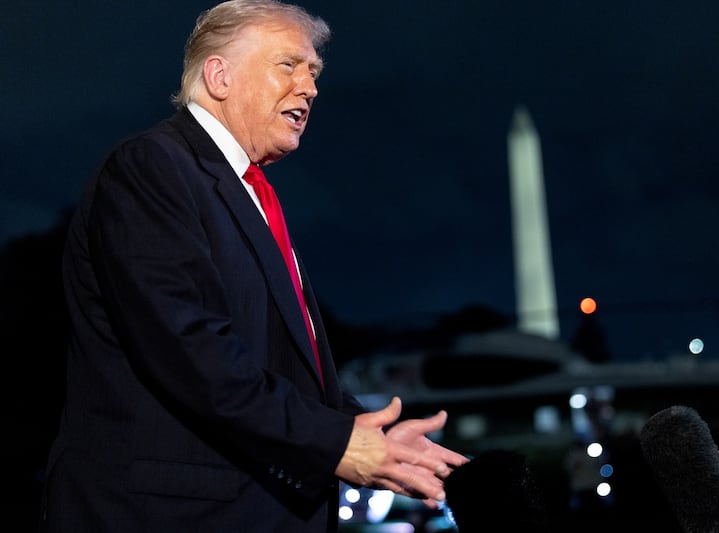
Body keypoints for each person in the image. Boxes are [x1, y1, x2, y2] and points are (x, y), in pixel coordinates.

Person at [39, 1, 468, 532]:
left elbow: (268, 363)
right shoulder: (152, 168)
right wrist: (335, 443)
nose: (309, 88)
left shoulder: (248, 194)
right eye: (288, 65)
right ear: (219, 75)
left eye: (313, 73)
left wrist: (360, 430)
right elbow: (190, 350)